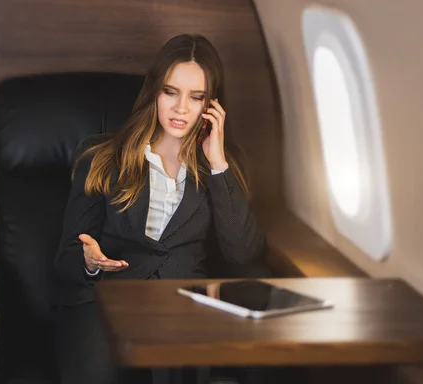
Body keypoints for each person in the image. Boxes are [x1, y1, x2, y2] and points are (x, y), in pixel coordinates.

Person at [52, 33, 265, 384]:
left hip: (182, 303)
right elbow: (66, 258)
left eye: (195, 98)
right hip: (105, 299)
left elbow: (241, 252)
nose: (181, 109)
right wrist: (89, 261)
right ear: (154, 91)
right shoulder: (101, 157)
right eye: (171, 92)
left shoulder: (222, 166)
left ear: (211, 106)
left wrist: (216, 162)